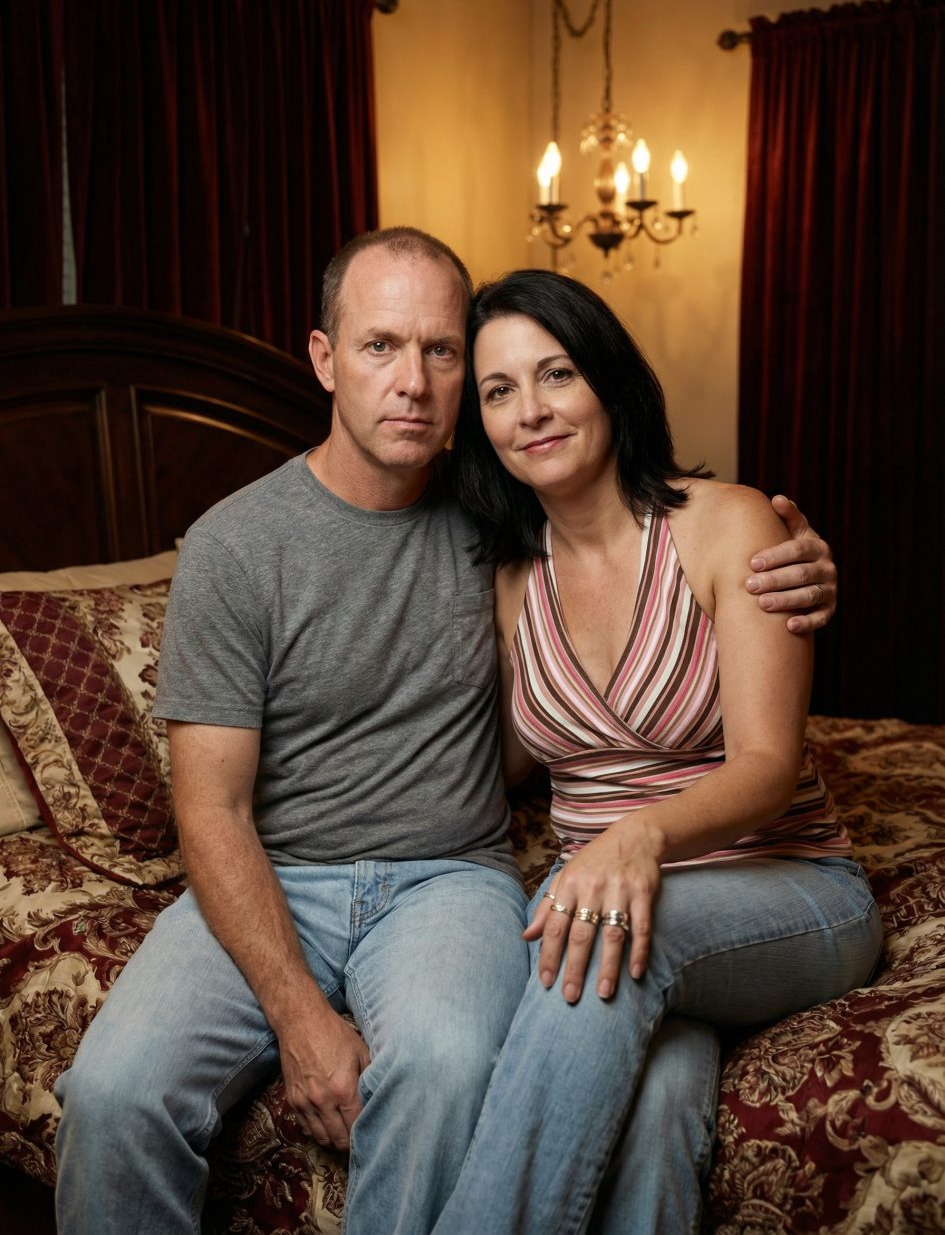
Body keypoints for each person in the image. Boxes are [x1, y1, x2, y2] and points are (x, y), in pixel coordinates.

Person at [52, 229, 840, 1235]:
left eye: (442, 352)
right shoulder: (240, 545)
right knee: (114, 1094)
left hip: (451, 880)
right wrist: (301, 1019)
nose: (414, 383)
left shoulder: (499, 512)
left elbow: (656, 568)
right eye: (380, 346)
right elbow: (211, 807)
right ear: (325, 359)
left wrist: (804, 571)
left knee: (452, 1066)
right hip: (278, 874)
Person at [431, 269, 883, 1235]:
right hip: (627, 917)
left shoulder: (728, 525)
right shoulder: (510, 579)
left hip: (790, 887)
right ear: (479, 425)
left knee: (594, 935)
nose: (530, 410)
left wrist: (635, 838)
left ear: (608, 381)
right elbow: (501, 765)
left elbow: (765, 767)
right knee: (663, 1092)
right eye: (498, 391)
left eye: (556, 374)